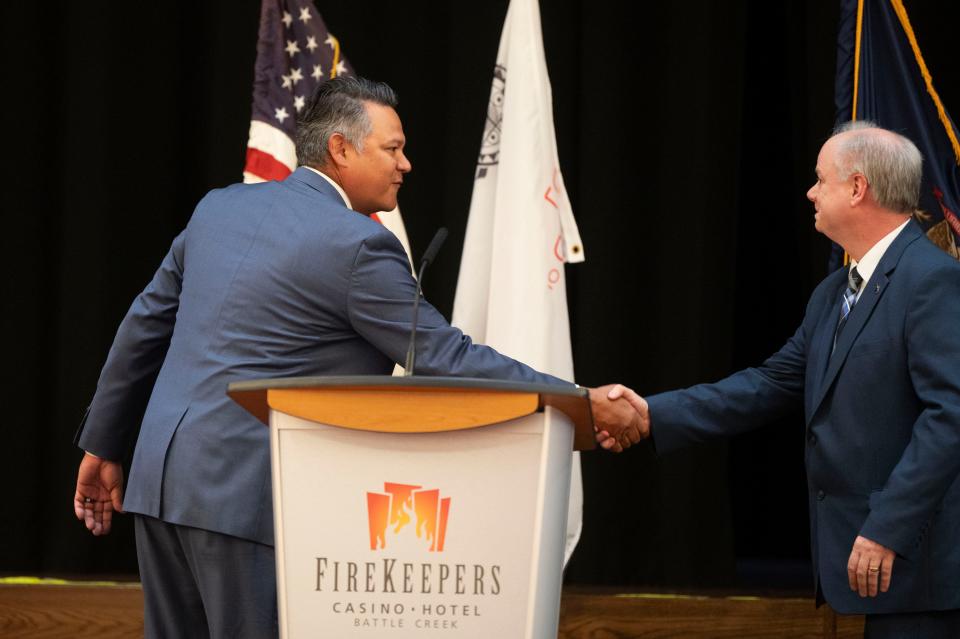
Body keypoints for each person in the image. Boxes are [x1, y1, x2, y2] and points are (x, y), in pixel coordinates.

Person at [73, 76, 642, 638]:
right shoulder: (359, 244)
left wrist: (104, 444)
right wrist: (579, 403)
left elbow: (143, 326)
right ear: (341, 149)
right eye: (392, 148)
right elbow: (445, 356)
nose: (406, 164)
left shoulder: (218, 207)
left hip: (160, 483)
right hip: (247, 505)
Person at [599, 122, 960, 637]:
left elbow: (951, 416)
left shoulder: (933, 280)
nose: (811, 192)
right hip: (867, 573)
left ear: (857, 188)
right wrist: (652, 413)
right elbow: (767, 385)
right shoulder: (832, 292)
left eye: (820, 180)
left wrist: (888, 527)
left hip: (915, 568)